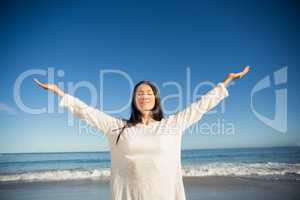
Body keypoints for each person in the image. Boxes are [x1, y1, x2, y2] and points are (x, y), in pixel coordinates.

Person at [34, 66, 250, 200]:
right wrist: (59, 92)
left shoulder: (172, 125)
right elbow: (86, 112)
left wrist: (227, 81)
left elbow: (201, 105)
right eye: (140, 93)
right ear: (134, 99)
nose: (144, 96)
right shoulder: (117, 128)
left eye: (149, 93)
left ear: (155, 99)